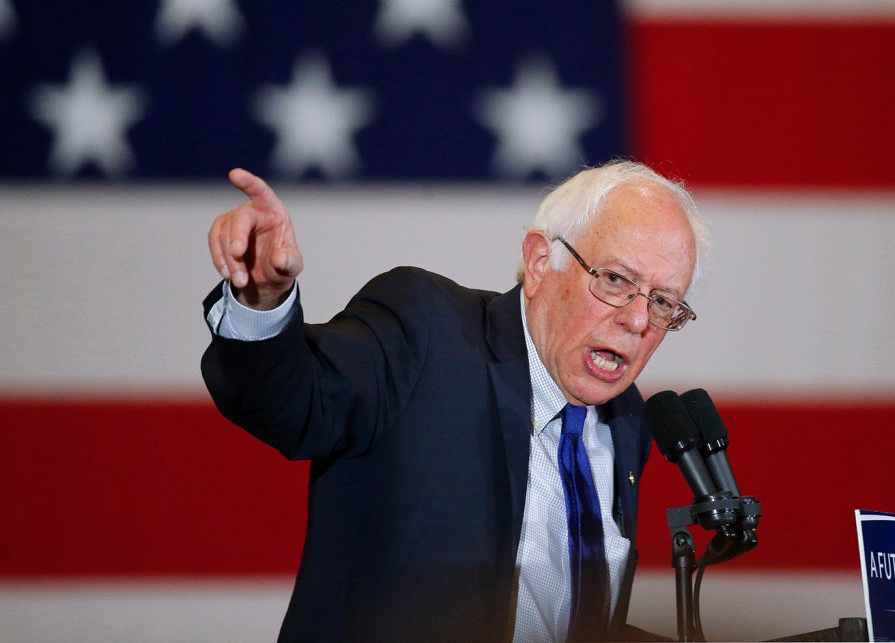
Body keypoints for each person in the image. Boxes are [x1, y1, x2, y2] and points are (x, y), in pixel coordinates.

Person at [202, 160, 710, 642]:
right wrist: (261, 300)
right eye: (617, 280)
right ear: (539, 262)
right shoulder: (430, 331)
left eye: (663, 301)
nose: (639, 321)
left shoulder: (627, 422)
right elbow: (291, 401)